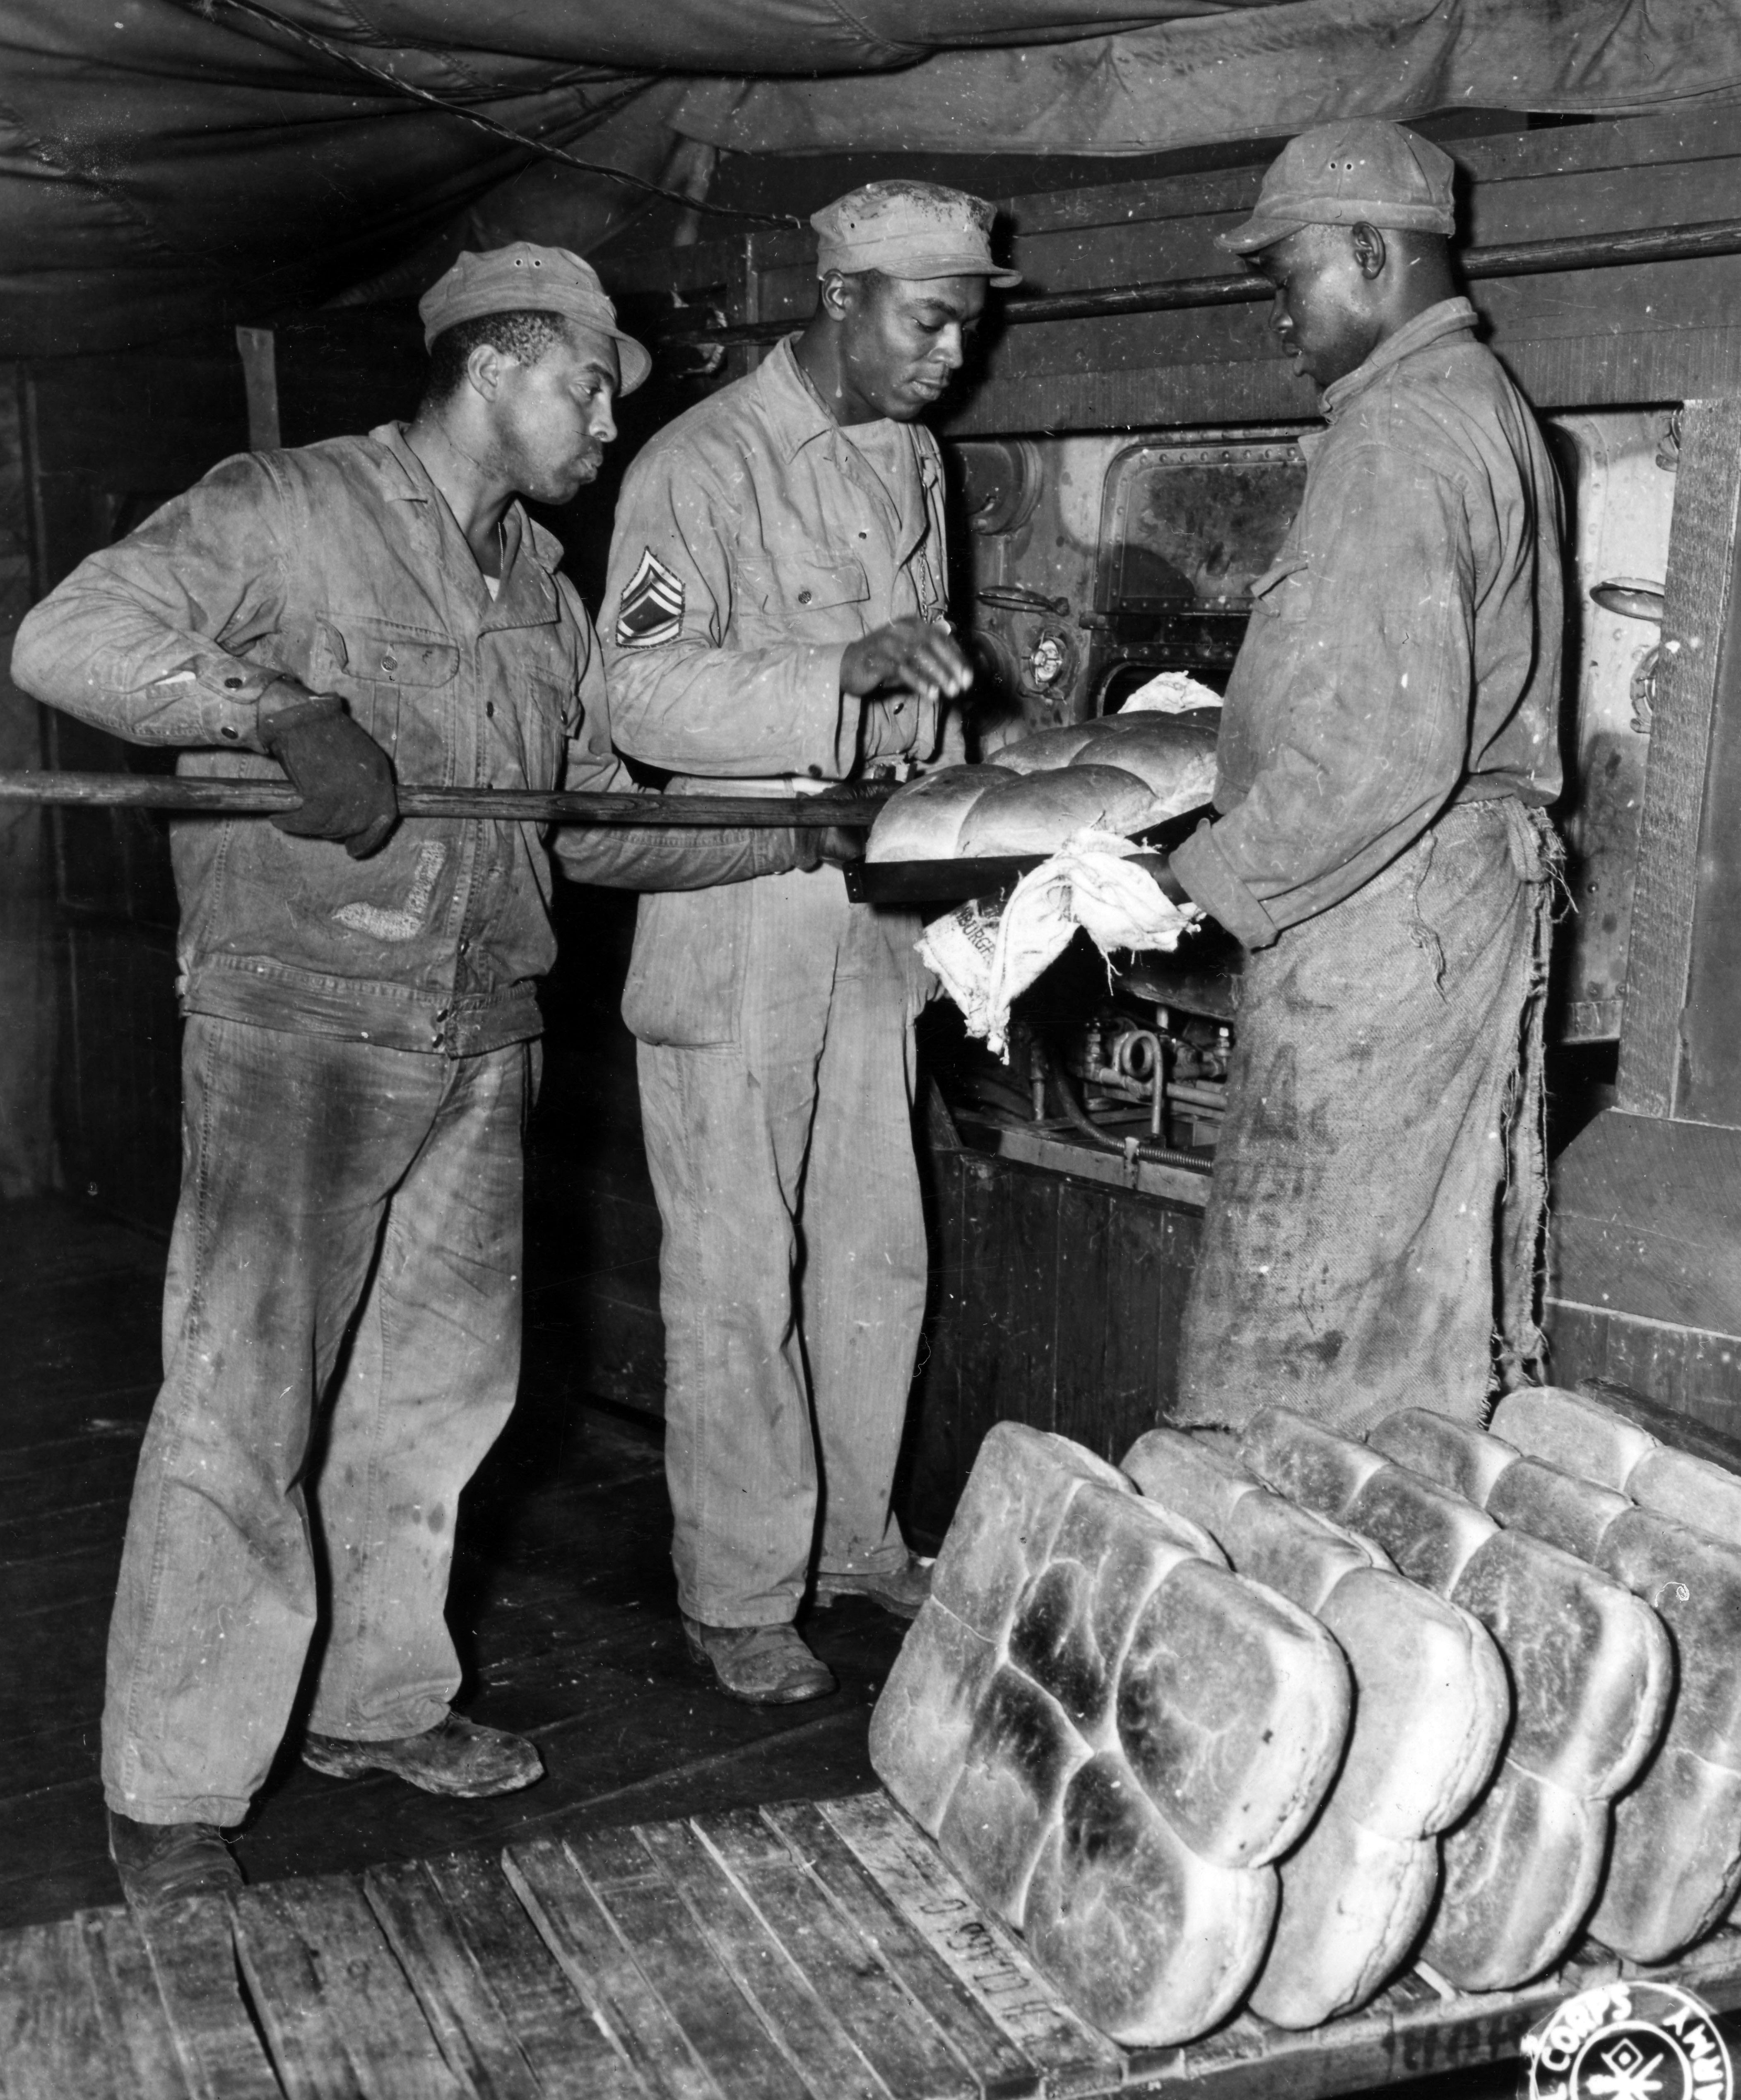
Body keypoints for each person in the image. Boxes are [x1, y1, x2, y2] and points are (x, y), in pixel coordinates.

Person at [11, 243, 812, 1912]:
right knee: (244, 1400)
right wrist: (281, 707)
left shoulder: (546, 588)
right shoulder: (283, 509)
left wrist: (791, 836)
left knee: (434, 1406)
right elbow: (66, 636)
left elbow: (583, 819)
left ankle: (378, 1706)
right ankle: (171, 1782)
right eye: (592, 384)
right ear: (500, 366)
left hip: (481, 1024)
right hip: (301, 1016)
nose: (605, 423)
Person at [601, 183, 1014, 1704]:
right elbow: (637, 703)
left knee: (874, 1244)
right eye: (928, 320)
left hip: (871, 901)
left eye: (970, 321)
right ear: (839, 299)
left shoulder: (913, 458)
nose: (954, 354)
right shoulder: (698, 465)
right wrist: (833, 669)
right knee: (734, 1261)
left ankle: (856, 1542)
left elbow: (929, 682)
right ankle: (738, 1586)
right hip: (734, 904)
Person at [1154, 121, 1564, 1436]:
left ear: (1374, 251)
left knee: (1291, 1328)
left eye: (1291, 281)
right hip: (1453, 900)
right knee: (1416, 1329)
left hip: (1385, 922)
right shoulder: (1485, 406)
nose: (1282, 319)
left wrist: (1192, 884)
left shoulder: (1394, 438)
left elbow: (1372, 757)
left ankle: (1270, 1606)